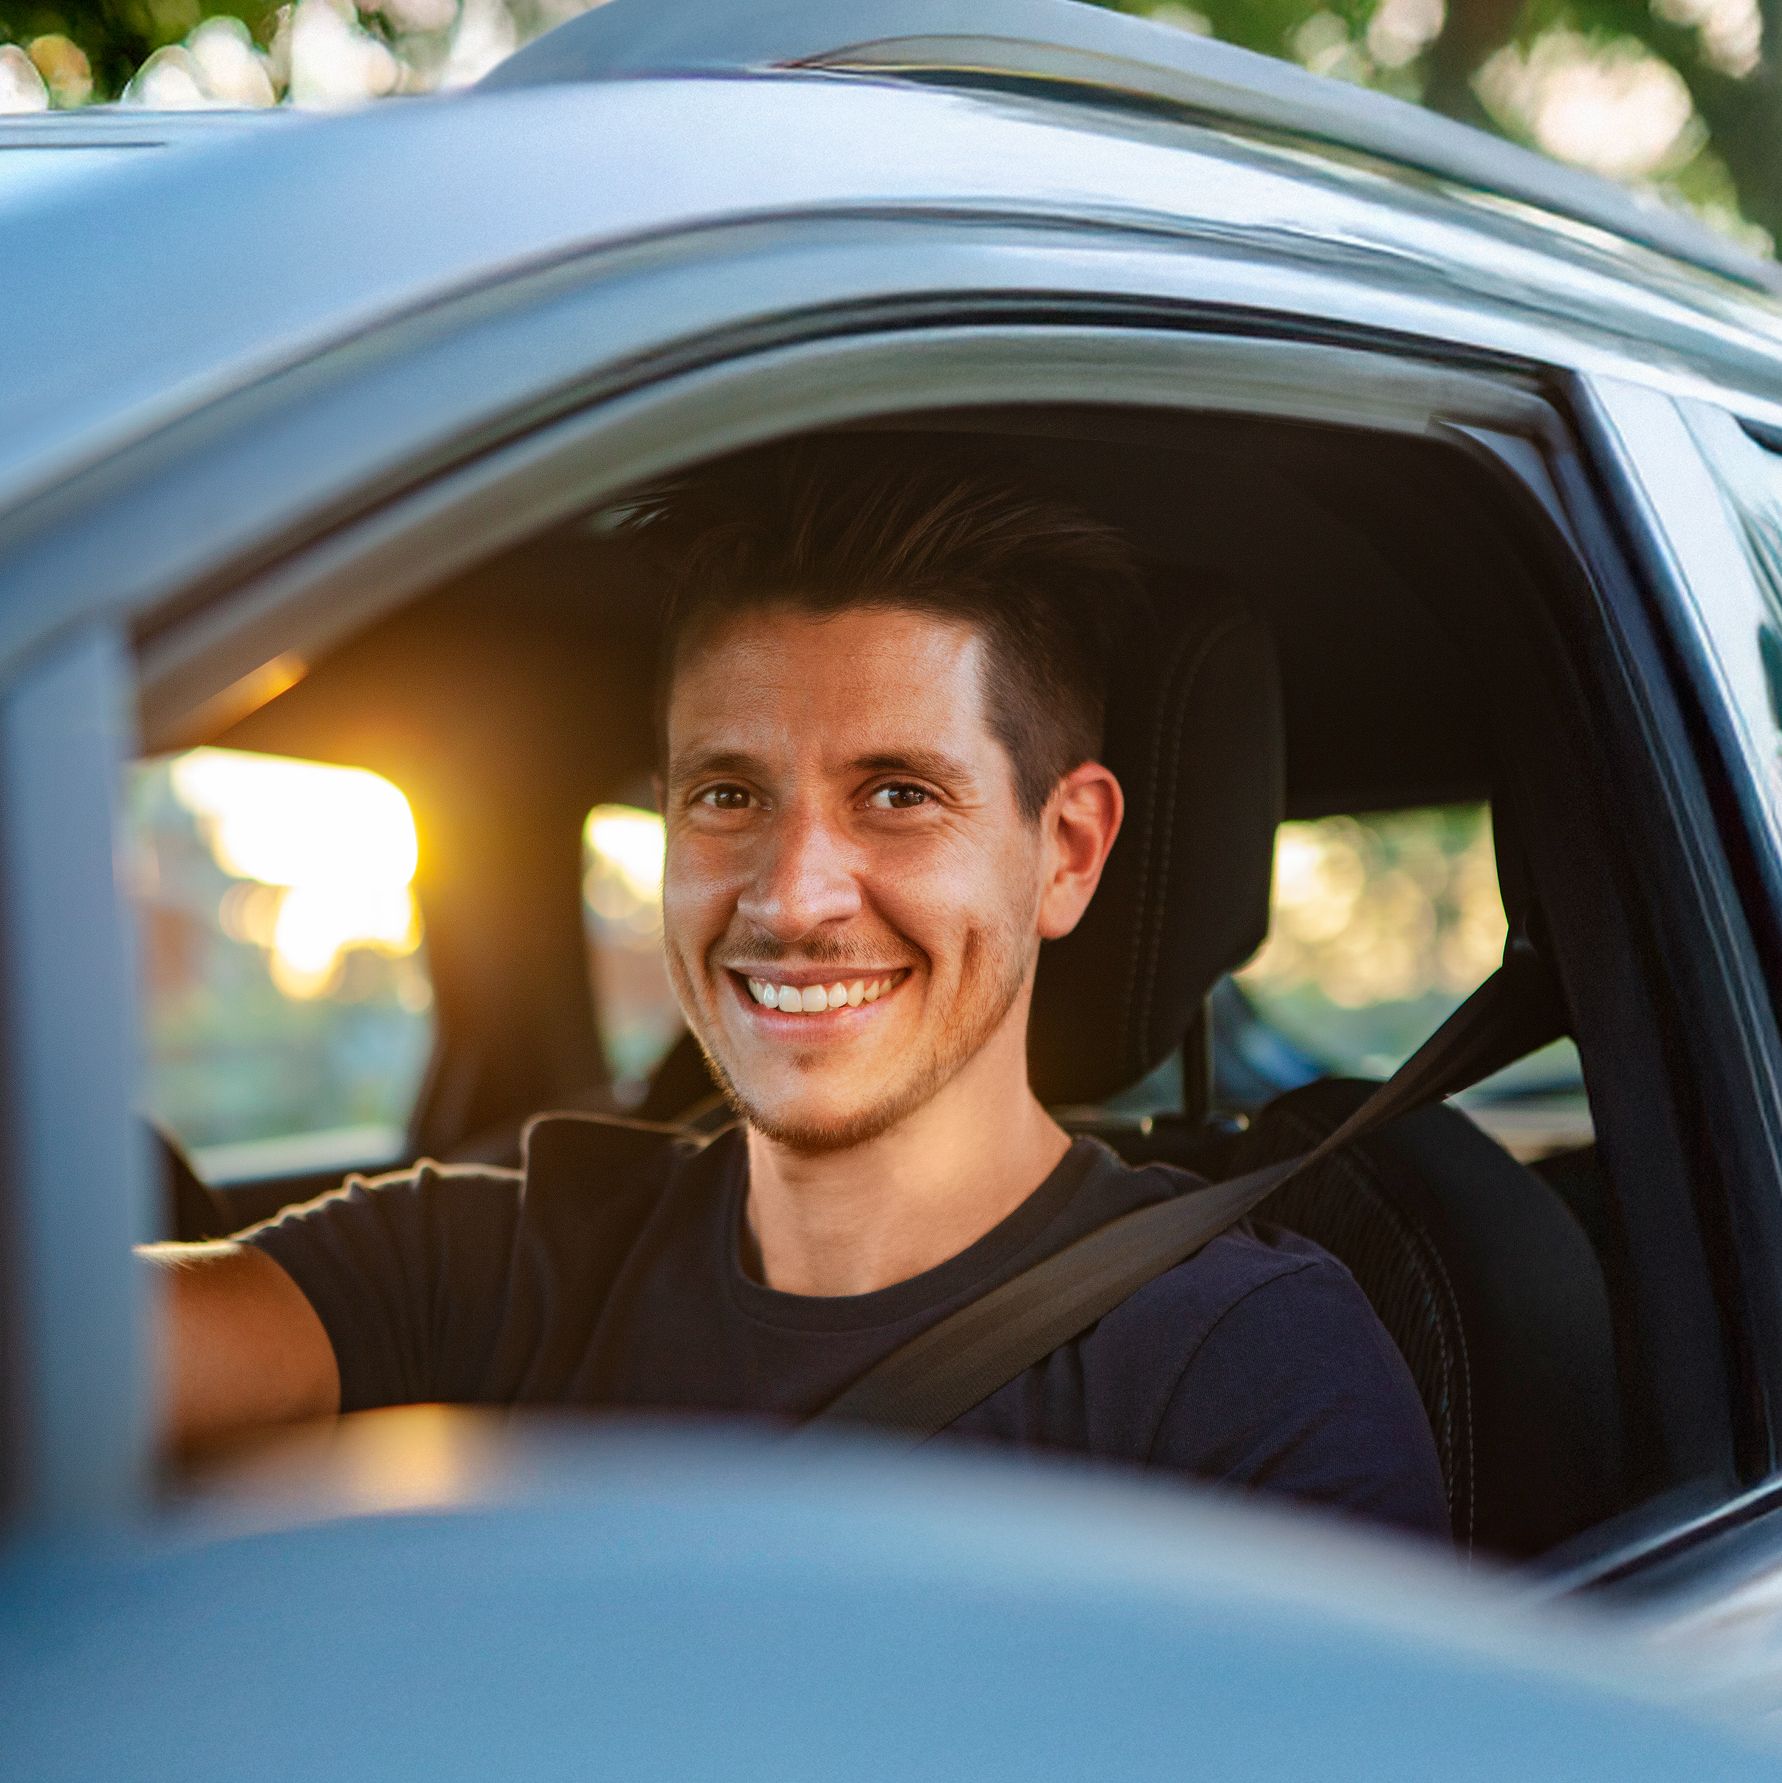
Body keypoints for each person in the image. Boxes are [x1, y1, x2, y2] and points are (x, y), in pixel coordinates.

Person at [143, 440, 1447, 1541]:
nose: (789, 898)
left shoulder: (1244, 1368)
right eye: (728, 795)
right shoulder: (491, 1264)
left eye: (896, 796)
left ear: (1065, 852)